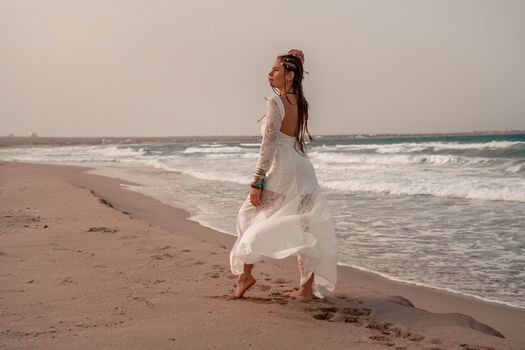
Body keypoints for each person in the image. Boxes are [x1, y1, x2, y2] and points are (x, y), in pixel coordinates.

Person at [229, 49, 337, 300]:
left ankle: (245, 276)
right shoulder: (299, 100)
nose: (270, 72)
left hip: (285, 169)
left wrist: (258, 179)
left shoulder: (275, 102)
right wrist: (296, 62)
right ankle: (306, 289)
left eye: (276, 69)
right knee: (305, 225)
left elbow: (268, 144)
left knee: (248, 215)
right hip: (303, 168)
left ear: (289, 75)